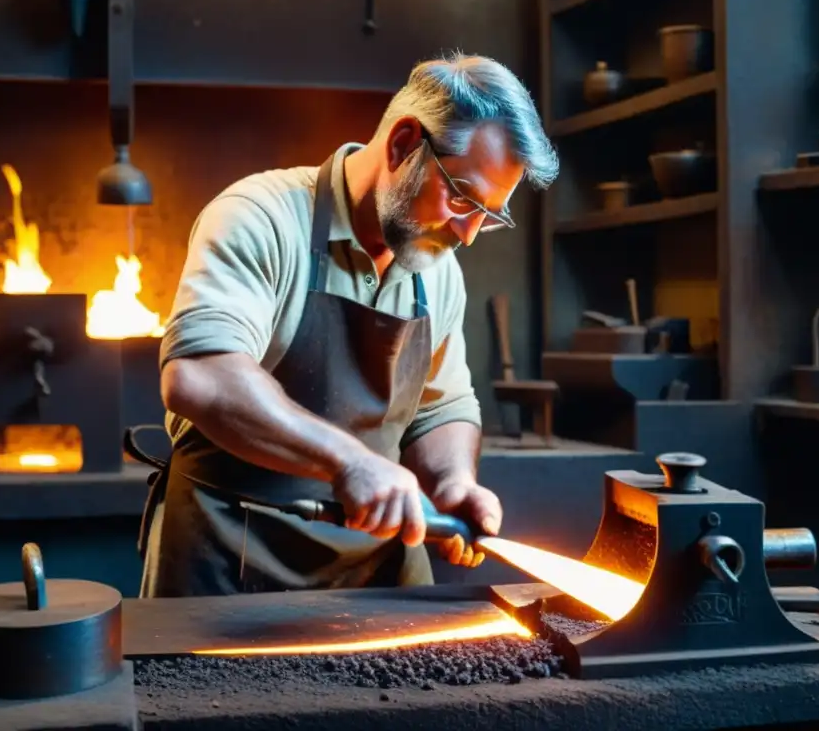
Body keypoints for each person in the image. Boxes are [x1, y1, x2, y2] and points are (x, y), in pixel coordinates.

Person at [138, 51, 559, 598]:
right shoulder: (260, 216)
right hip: (231, 554)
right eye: (461, 197)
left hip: (377, 566)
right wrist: (349, 462)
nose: (469, 233)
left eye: (491, 215)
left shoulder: (437, 267)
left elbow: (442, 407)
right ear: (404, 142)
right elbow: (199, 374)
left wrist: (453, 480)